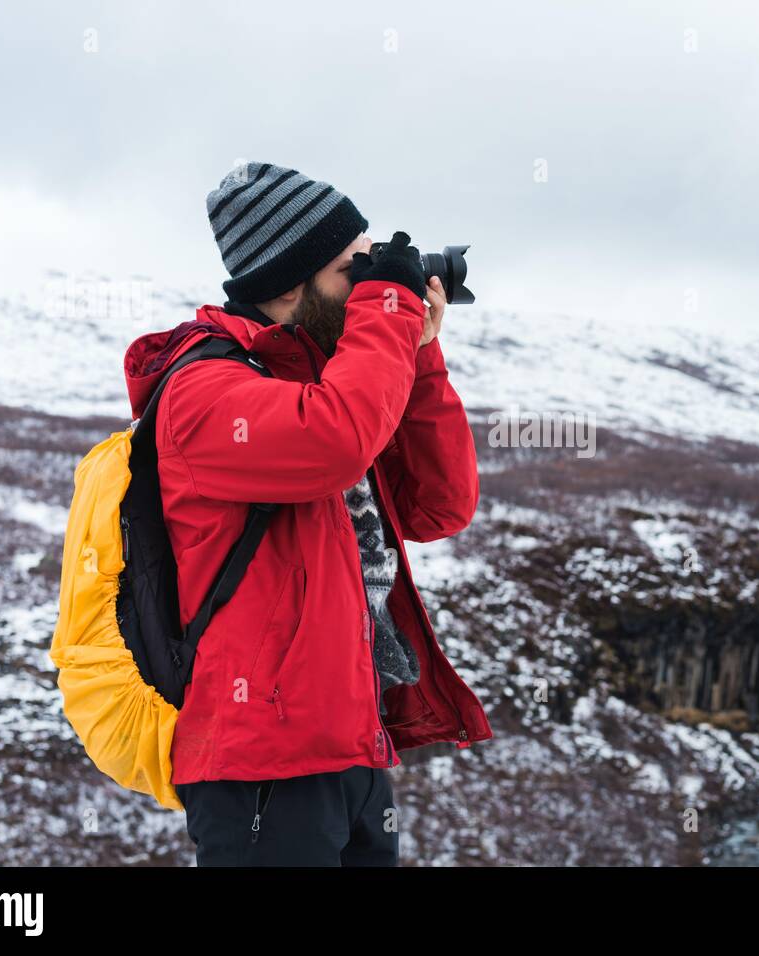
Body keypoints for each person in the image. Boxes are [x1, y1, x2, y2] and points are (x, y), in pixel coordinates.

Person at [121, 162, 492, 865]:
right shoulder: (206, 391)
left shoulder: (329, 380)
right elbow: (335, 445)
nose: (375, 279)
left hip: (352, 746)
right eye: (356, 266)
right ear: (288, 283)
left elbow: (439, 506)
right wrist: (389, 314)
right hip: (262, 769)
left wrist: (418, 354)